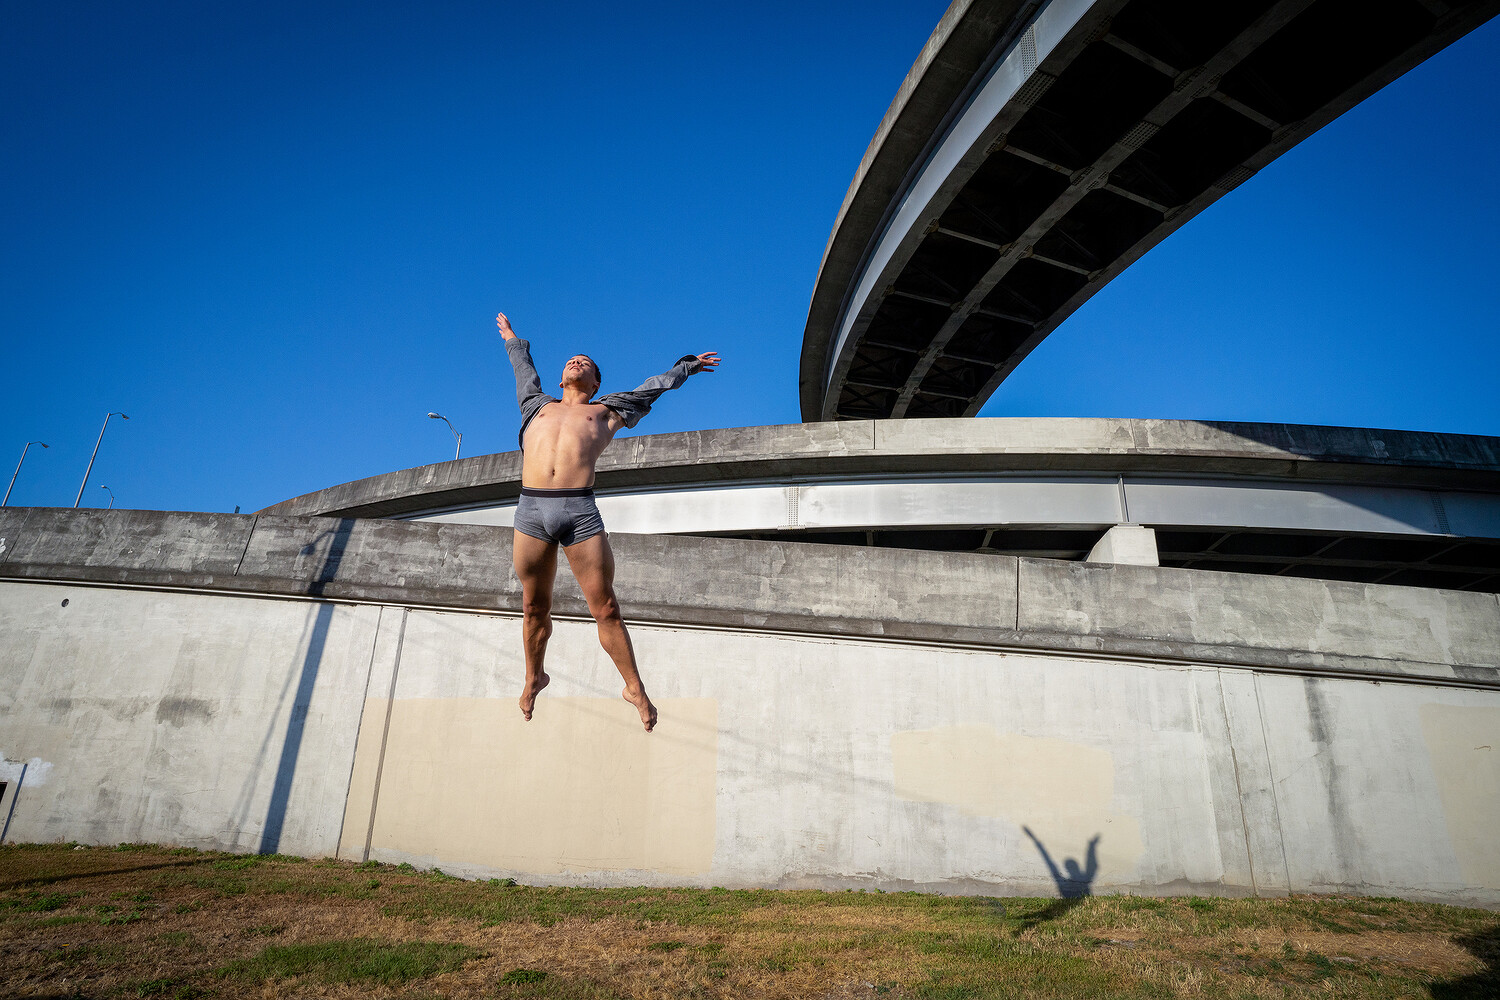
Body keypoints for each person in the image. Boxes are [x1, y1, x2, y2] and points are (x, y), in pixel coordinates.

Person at [496, 311, 720, 732]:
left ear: (595, 382)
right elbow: (522, 370)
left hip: (578, 510)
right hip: (531, 510)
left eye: (585, 362)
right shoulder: (535, 407)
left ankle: (634, 688)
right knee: (533, 607)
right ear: (561, 379)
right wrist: (512, 338)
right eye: (570, 361)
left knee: (607, 608)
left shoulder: (607, 410)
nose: (575, 362)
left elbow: (653, 388)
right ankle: (533, 676)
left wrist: (687, 365)